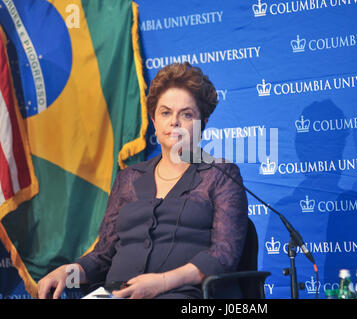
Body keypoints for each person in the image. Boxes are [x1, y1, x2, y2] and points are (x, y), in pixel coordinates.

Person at [37, 62, 249, 299]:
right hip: (115, 294)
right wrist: (67, 273)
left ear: (203, 123)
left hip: (184, 294)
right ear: (154, 120)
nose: (174, 122)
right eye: (165, 112)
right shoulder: (128, 178)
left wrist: (162, 283)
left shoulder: (220, 175)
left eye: (186, 114)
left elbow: (223, 256)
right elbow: (103, 255)